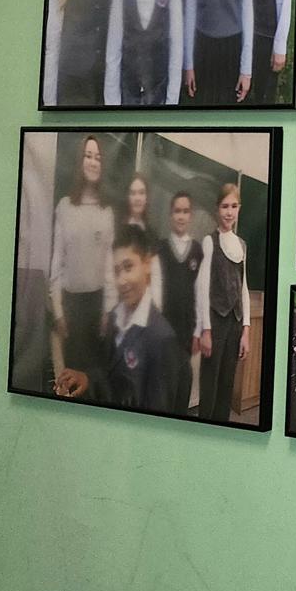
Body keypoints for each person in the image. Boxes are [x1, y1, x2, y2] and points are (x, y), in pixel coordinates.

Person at [54, 225, 183, 412]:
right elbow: (110, 377)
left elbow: (157, 414)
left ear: (147, 265)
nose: (121, 280)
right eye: (117, 271)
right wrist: (87, 378)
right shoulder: (115, 316)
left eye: (128, 267)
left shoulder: (161, 339)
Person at [48, 135, 115, 386]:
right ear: (80, 161)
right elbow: (56, 263)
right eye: (88, 156)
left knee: (93, 380)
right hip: (71, 307)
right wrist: (58, 312)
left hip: (96, 307)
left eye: (98, 157)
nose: (93, 162)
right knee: (69, 380)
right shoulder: (65, 207)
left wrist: (107, 310)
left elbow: (109, 267)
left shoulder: (106, 211)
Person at [194, 182, 251, 422]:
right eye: (225, 206)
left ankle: (221, 430)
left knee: (227, 384)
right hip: (215, 322)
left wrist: (246, 330)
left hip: (235, 323)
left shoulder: (242, 245)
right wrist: (205, 330)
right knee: (210, 383)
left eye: (234, 206)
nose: (229, 212)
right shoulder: (209, 241)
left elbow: (243, 287)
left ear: (239, 208)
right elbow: (202, 288)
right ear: (217, 209)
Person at [152, 189, 201, 414]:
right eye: (177, 211)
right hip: (164, 332)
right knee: (165, 390)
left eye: (185, 211)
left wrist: (197, 331)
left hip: (186, 333)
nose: (181, 216)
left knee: (183, 386)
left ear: (190, 215)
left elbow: (200, 293)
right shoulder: (160, 248)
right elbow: (154, 292)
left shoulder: (197, 250)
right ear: (171, 215)